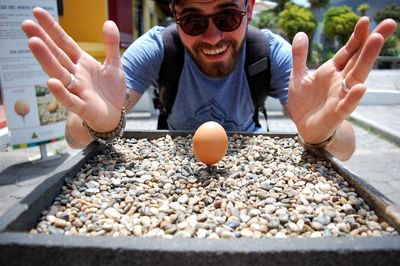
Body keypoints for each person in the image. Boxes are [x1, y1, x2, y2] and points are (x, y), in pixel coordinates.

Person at [21, 0, 397, 161]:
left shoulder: (271, 51)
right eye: (194, 22)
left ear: (248, 10)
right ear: (176, 18)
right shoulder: (158, 47)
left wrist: (324, 133)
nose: (213, 37)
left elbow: (346, 150)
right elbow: (73, 139)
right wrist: (95, 123)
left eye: (228, 16)